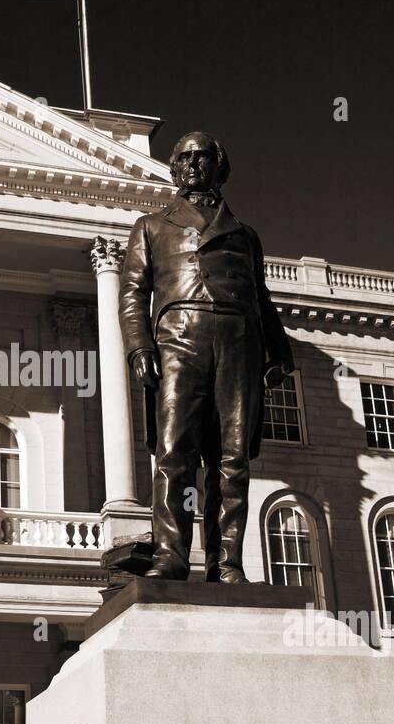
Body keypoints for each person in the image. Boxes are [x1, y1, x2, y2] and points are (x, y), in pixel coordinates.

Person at [119, 131, 294, 582]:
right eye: (185, 157)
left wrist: (280, 348)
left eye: (203, 156)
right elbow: (133, 294)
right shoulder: (152, 226)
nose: (194, 164)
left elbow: (261, 296)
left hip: (239, 341)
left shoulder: (244, 234)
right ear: (174, 167)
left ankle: (228, 563)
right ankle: (171, 556)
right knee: (175, 451)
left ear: (220, 166)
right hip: (178, 338)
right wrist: (140, 346)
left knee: (232, 459)